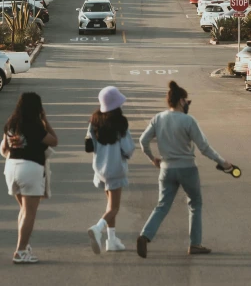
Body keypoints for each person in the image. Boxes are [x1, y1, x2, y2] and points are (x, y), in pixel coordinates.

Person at [137, 81, 233, 259]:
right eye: (187, 101)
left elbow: (143, 141)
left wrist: (153, 159)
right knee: (195, 204)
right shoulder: (188, 120)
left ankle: (145, 236)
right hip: (187, 168)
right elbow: (204, 147)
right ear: (181, 101)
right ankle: (195, 244)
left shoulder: (158, 118)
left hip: (166, 168)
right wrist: (223, 162)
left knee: (162, 205)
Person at [1, 92, 58, 265]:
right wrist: (45, 120)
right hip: (30, 168)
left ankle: (24, 247)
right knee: (29, 213)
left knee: (23, 211)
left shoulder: (11, 123)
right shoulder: (34, 125)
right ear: (37, 108)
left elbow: (4, 147)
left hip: (11, 168)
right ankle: (20, 251)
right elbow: (54, 141)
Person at [86, 87, 135, 254]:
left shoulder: (94, 121)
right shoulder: (120, 123)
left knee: (110, 206)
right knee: (114, 208)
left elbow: (90, 145)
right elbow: (128, 149)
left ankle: (112, 240)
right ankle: (97, 229)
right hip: (115, 169)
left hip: (100, 169)